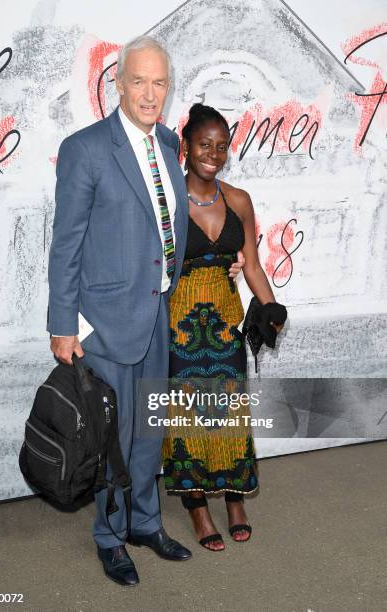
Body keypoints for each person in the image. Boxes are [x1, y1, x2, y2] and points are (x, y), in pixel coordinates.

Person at [47, 36, 244, 584]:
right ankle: (110, 538)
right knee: (113, 437)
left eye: (160, 82)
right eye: (140, 81)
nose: (150, 93)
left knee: (149, 432)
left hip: (162, 313)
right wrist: (62, 325)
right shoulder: (85, 148)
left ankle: (146, 523)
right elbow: (66, 243)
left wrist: (222, 261)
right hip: (105, 323)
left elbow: (172, 221)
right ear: (118, 83)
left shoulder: (166, 141)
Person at [162, 103, 287, 551]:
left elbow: (251, 264)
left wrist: (270, 305)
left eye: (220, 146)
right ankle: (196, 506)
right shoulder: (168, 199)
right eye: (203, 144)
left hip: (226, 320)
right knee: (188, 415)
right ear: (186, 145)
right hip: (179, 322)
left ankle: (235, 499)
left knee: (231, 413)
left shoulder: (238, 200)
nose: (212, 154)